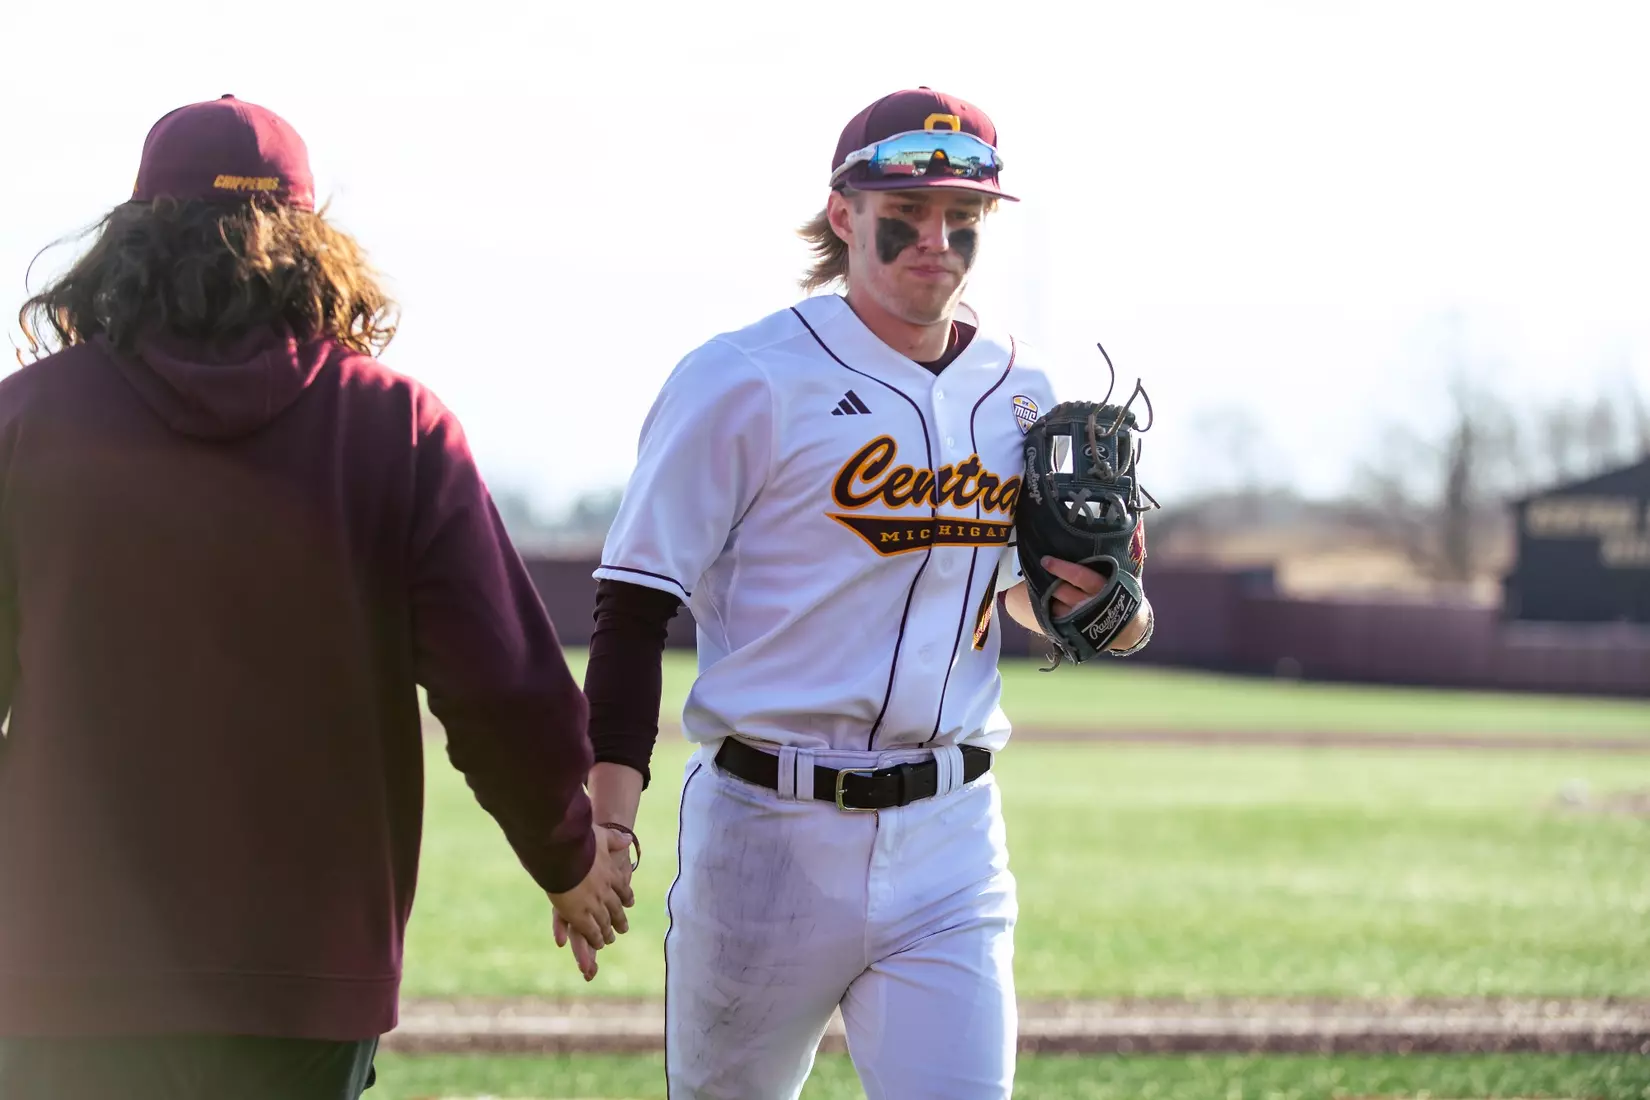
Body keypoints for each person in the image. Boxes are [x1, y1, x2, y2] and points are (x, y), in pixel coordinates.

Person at [0, 94, 633, 1100]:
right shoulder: (397, 425)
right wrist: (569, 856)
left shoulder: (28, 419)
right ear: (310, 246)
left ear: (129, 239)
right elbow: (501, 683)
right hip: (309, 972)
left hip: (65, 964)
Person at [580, 87, 1154, 1100]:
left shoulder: (1023, 391)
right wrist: (610, 821)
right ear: (844, 213)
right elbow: (634, 602)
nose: (936, 238)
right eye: (908, 210)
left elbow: (1015, 591)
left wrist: (1101, 609)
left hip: (952, 833)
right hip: (768, 826)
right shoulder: (745, 375)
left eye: (963, 218)